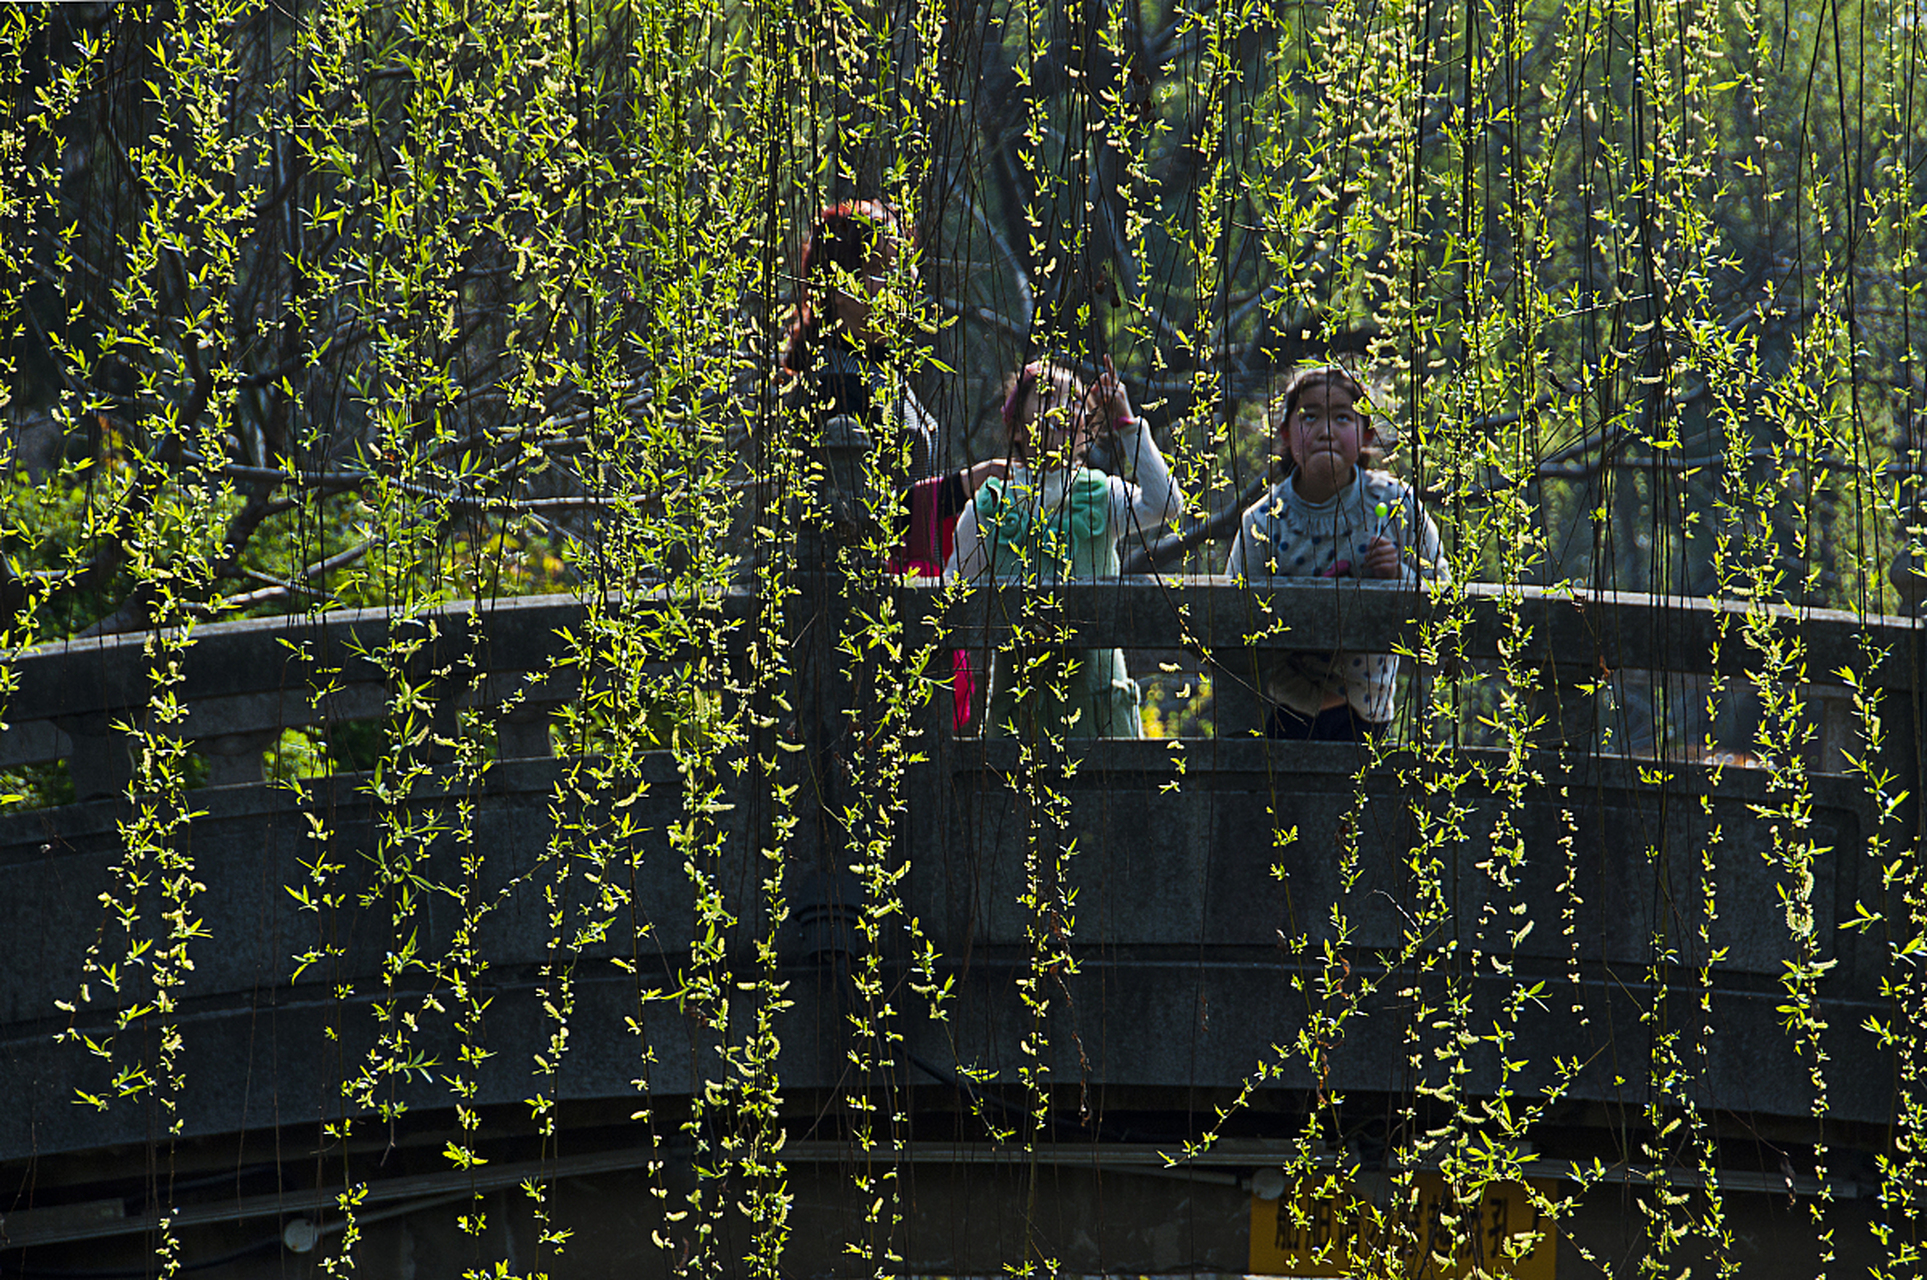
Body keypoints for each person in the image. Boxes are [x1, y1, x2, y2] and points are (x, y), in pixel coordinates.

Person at [946, 356, 1185, 738]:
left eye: (1075, 401)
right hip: (1019, 719)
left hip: (1100, 713)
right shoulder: (988, 507)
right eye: (1045, 395)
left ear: (1088, 430)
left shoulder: (1102, 495)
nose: (1061, 407)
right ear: (1016, 427)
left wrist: (1127, 424)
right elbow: (951, 600)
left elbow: (1166, 505)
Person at [778, 200, 1003, 575]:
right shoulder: (834, 385)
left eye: (904, 262)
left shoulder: (878, 369)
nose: (903, 279)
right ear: (834, 288)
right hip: (857, 599)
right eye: (881, 267)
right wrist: (963, 485)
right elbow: (853, 513)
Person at [1226, 364, 1445, 742]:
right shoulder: (1263, 521)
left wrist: (1399, 577)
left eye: (1343, 417)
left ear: (1366, 433)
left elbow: (1444, 600)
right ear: (1285, 433)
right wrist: (1317, 700)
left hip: (1369, 716)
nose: (1326, 430)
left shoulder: (1396, 505)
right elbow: (1234, 631)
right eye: (1309, 416)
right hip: (1281, 711)